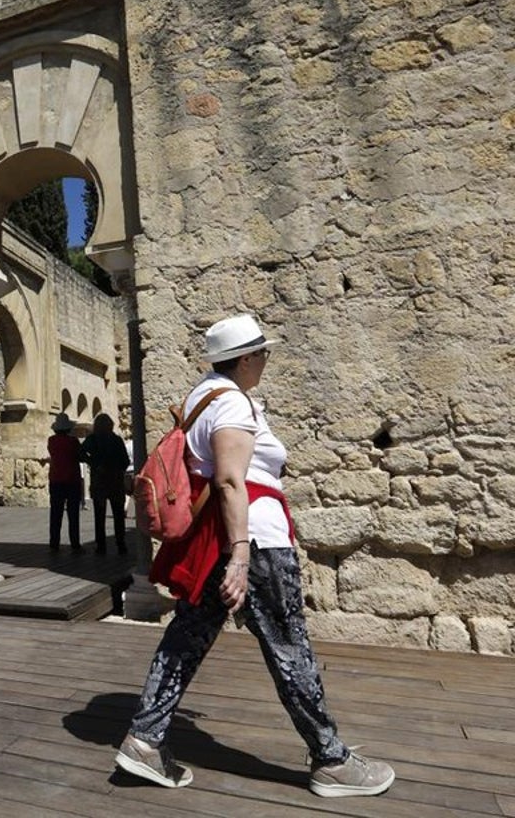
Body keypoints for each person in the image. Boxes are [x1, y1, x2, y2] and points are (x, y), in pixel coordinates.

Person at [115, 314, 395, 798]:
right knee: (289, 648)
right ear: (245, 358)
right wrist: (241, 557)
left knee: (185, 639)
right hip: (253, 544)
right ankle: (330, 759)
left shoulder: (198, 400)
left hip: (214, 546)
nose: (266, 360)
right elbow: (228, 480)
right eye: (263, 353)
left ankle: (145, 738)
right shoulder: (232, 405)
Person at [80, 413, 130, 554]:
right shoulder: (116, 440)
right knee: (118, 515)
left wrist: (93, 463)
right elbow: (125, 461)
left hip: (99, 481)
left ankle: (101, 545)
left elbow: (80, 453)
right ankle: (121, 543)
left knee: (99, 515)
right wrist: (117, 470)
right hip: (115, 481)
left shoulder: (92, 440)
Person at [47, 413, 83, 552]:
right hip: (72, 480)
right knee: (73, 514)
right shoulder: (73, 441)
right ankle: (75, 543)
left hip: (56, 479)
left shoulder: (51, 441)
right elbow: (79, 456)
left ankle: (54, 543)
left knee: (56, 513)